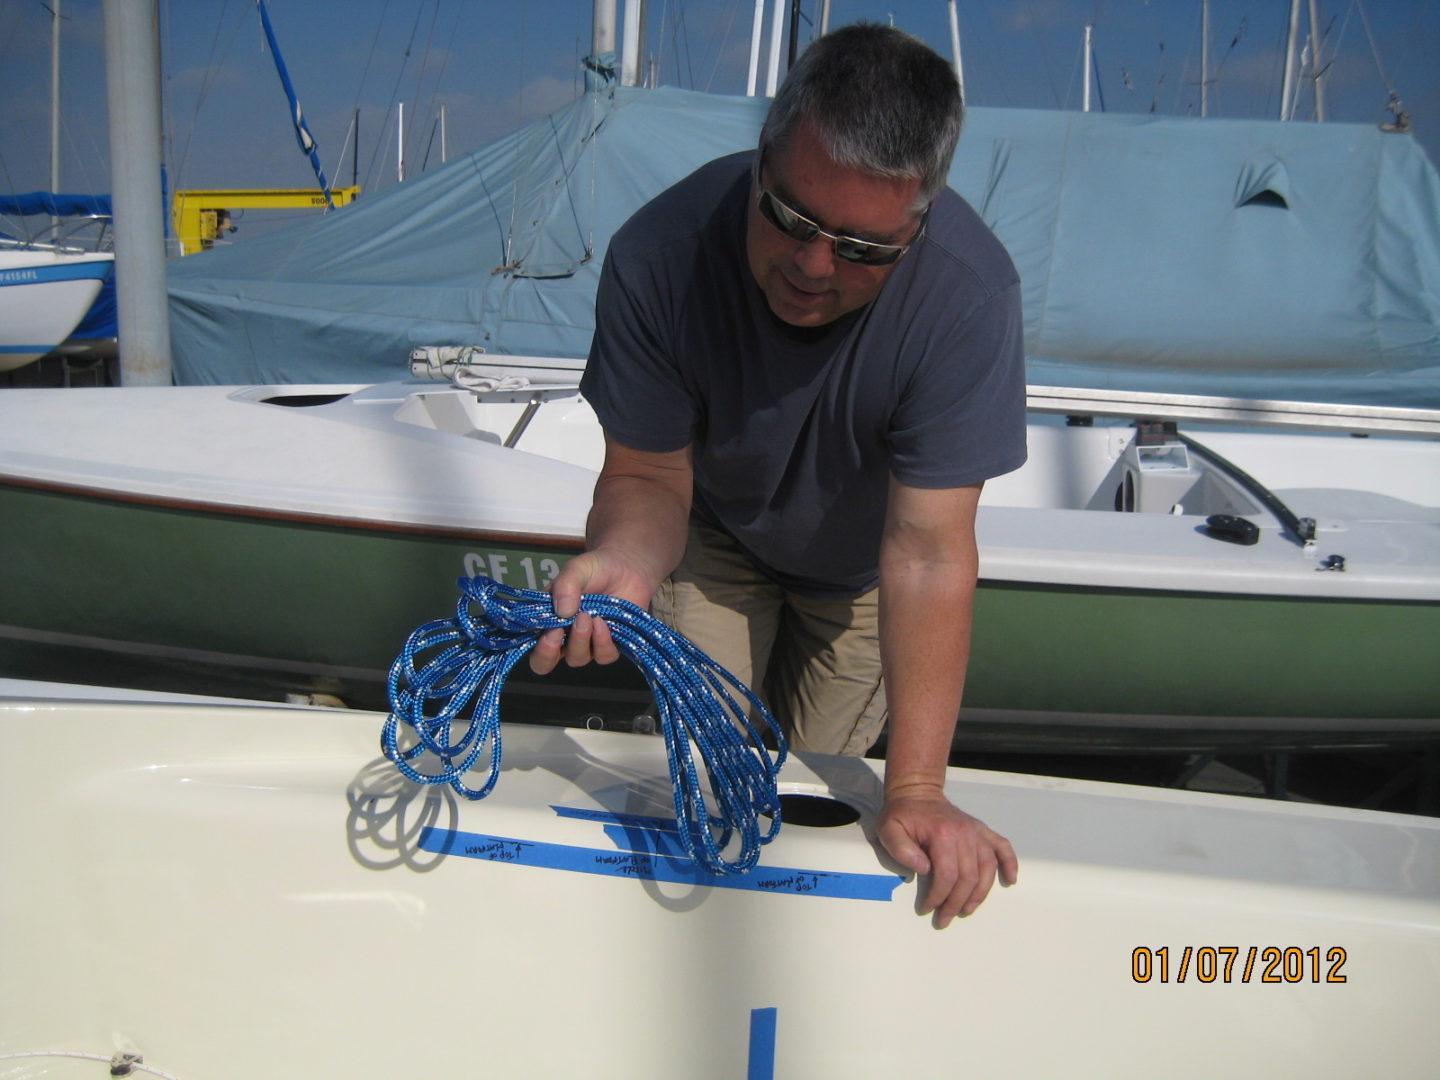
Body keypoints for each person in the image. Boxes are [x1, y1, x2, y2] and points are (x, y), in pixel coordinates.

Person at [530, 23, 1027, 926]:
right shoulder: (660, 255)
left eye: (863, 250)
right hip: (715, 539)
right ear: (762, 158)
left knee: (811, 797)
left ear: (918, 227)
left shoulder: (968, 296)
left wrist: (916, 788)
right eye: (791, 218)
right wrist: (628, 562)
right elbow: (646, 475)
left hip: (866, 576)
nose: (811, 267)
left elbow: (925, 551)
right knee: (719, 780)